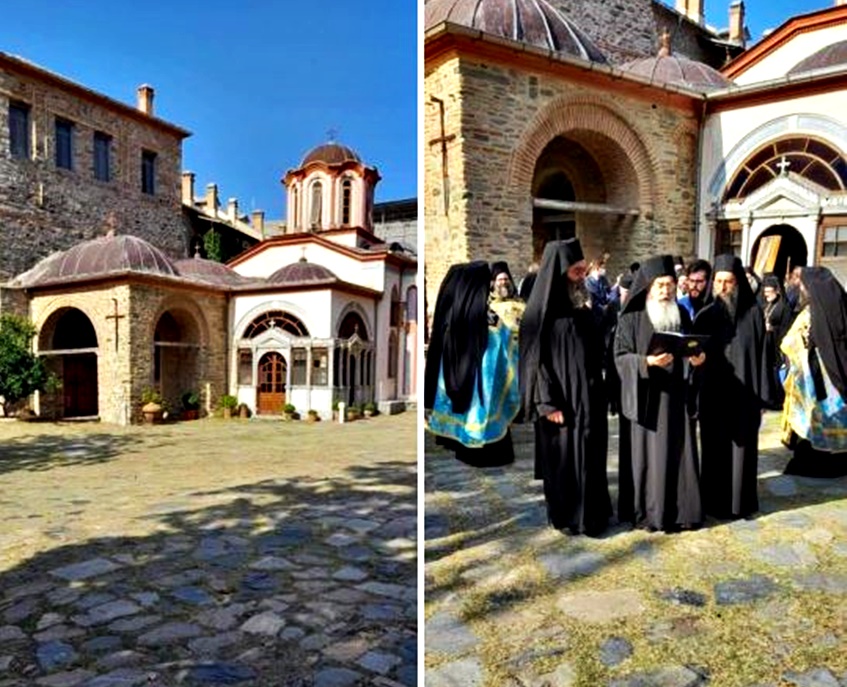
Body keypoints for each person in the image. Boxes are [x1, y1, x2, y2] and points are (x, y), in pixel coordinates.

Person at [520, 238, 612, 535]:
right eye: (576, 271)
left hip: (590, 397)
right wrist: (546, 403)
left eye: (584, 270)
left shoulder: (580, 307)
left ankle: (593, 515)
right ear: (559, 273)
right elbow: (534, 362)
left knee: (591, 455)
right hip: (561, 401)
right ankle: (569, 516)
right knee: (565, 460)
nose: (582, 277)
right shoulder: (539, 314)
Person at [614, 255, 705, 532]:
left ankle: (681, 512)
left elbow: (692, 348)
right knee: (651, 459)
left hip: (677, 398)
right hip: (647, 402)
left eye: (670, 285)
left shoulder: (682, 315)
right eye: (660, 285)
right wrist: (646, 362)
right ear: (649, 287)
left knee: (679, 454)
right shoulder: (630, 318)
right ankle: (652, 512)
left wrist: (697, 360)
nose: (666, 291)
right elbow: (619, 358)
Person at [697, 255, 773, 520]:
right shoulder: (704, 316)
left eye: (728, 281)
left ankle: (741, 503)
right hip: (713, 396)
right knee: (715, 449)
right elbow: (693, 358)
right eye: (718, 281)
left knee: (742, 451)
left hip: (745, 399)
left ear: (737, 283)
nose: (723, 287)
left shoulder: (753, 314)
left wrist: (762, 398)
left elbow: (764, 357)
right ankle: (714, 503)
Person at [425, 261, 521, 467]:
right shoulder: (489, 317)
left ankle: (464, 449)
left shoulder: (452, 316)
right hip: (484, 386)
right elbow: (507, 350)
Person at [780, 266, 847, 477]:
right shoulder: (839, 307)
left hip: (817, 380)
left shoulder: (810, 314)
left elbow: (788, 343)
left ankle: (820, 460)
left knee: (820, 420)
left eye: (803, 286)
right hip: (836, 376)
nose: (800, 289)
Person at [762, 273, 791, 408]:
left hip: (777, 343)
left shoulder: (784, 306)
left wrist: (772, 328)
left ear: (777, 291)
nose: (766, 294)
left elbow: (786, 326)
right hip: (768, 343)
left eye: (769, 291)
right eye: (765, 292)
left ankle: (778, 399)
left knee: (777, 370)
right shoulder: (769, 304)